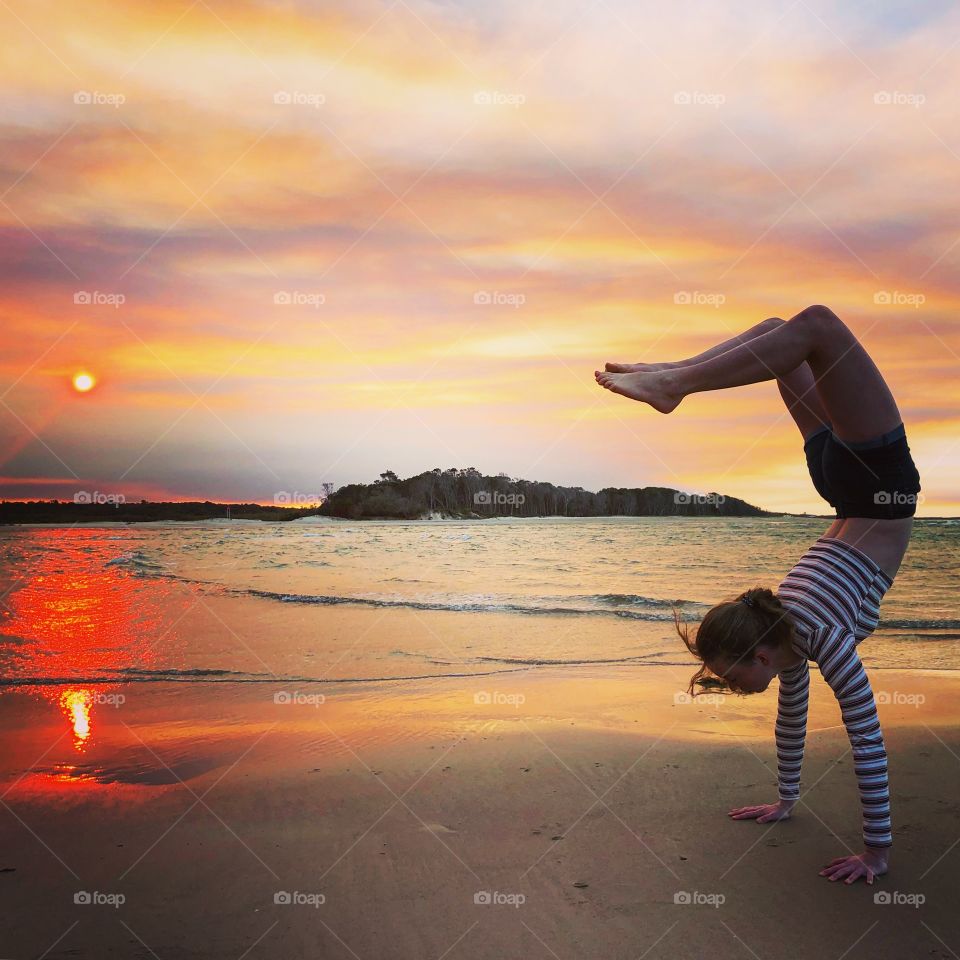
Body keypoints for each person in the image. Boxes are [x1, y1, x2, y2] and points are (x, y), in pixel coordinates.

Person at [595, 305, 922, 885]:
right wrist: (785, 801)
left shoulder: (820, 639)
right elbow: (793, 721)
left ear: (762, 655)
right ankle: (673, 376)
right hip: (841, 482)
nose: (730, 687)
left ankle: (673, 381)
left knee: (816, 327)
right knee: (779, 333)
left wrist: (877, 853)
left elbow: (867, 741)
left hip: (875, 486)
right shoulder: (787, 632)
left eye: (730, 675)